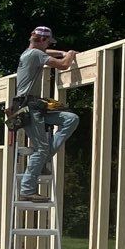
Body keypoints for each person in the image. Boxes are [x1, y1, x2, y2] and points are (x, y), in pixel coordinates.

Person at [13, 25, 79, 197]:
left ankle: (42, 160)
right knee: (41, 149)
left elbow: (47, 52)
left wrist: (61, 52)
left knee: (70, 119)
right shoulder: (36, 54)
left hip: (35, 106)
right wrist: (70, 54)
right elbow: (64, 66)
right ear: (42, 40)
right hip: (28, 107)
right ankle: (27, 190)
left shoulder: (29, 53)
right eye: (48, 41)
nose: (49, 45)